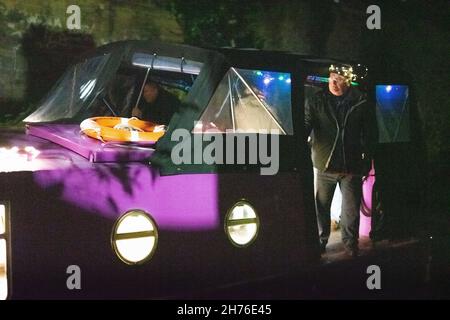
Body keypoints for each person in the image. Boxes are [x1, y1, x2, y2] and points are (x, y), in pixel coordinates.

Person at [305, 64, 377, 257]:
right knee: (321, 206)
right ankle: (320, 241)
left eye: (339, 79)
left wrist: (366, 159)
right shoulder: (317, 100)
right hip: (324, 164)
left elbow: (370, 134)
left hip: (351, 165)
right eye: (331, 78)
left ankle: (350, 243)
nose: (334, 83)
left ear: (348, 81)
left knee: (351, 210)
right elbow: (306, 123)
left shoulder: (361, 101)